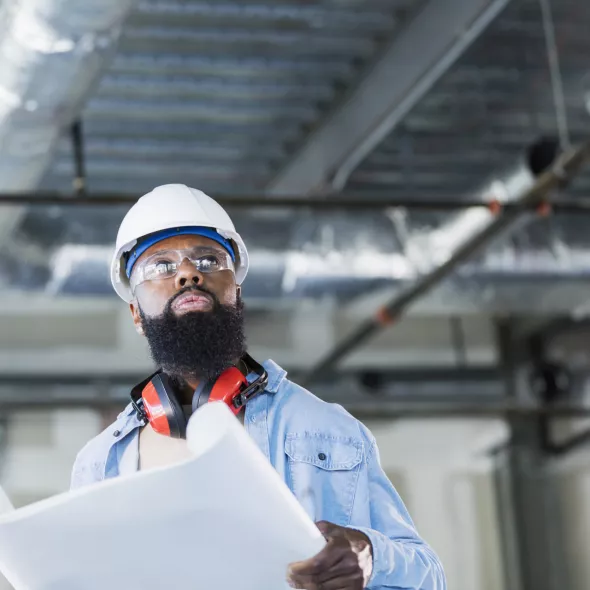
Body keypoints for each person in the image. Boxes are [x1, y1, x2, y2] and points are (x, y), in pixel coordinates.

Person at [70, 184, 446, 590]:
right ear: (136, 313)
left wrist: (370, 556)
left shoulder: (327, 430)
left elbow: (430, 577)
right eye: (160, 266)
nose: (187, 273)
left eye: (209, 259)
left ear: (237, 290)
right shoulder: (99, 463)